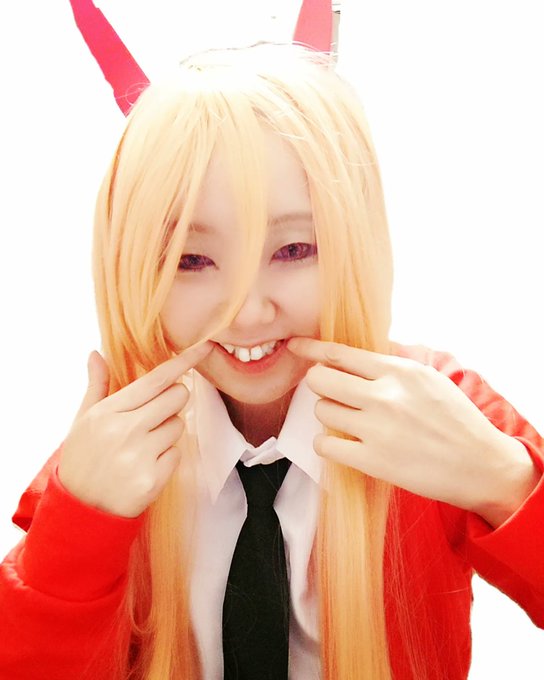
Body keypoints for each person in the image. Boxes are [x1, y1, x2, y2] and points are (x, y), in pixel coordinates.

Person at [0, 42, 542, 680]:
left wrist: (505, 484)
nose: (248, 312)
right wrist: (79, 524)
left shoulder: (437, 407)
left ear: (354, 241)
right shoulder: (117, 445)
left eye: (293, 250)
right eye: (191, 260)